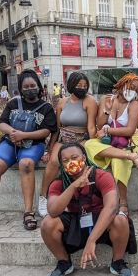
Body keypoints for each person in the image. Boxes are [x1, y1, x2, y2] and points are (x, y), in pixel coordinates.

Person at [0, 70, 57, 231]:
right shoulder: (13, 103)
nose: (29, 89)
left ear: (38, 87)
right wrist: (13, 134)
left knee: (26, 164)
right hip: (10, 143)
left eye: (33, 85)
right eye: (26, 86)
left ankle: (28, 212)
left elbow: (47, 131)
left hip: (34, 144)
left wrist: (23, 135)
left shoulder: (45, 107)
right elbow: (1, 123)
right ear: (20, 88)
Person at [41, 143, 135, 276]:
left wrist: (91, 241)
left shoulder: (102, 176)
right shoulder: (58, 183)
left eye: (74, 157)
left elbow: (111, 208)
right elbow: (53, 210)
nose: (71, 163)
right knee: (47, 223)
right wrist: (73, 186)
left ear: (83, 157)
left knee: (120, 219)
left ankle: (118, 262)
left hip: (101, 222)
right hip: (75, 221)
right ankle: (64, 263)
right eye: (65, 161)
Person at [38, 72, 98, 217]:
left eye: (85, 86)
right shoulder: (62, 102)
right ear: (71, 85)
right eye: (79, 85)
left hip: (81, 138)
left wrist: (95, 142)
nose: (82, 88)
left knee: (77, 160)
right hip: (64, 138)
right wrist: (50, 149)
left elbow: (91, 127)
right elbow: (58, 129)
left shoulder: (89, 101)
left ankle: (77, 199)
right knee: (53, 162)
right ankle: (43, 197)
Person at [84, 73, 138, 216]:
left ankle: (123, 203)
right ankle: (130, 156)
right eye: (130, 86)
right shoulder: (107, 99)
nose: (131, 90)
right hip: (110, 141)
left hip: (129, 140)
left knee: (118, 161)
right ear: (122, 83)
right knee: (89, 145)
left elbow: (130, 130)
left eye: (135, 89)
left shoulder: (134, 104)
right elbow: (99, 124)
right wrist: (106, 110)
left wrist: (107, 129)